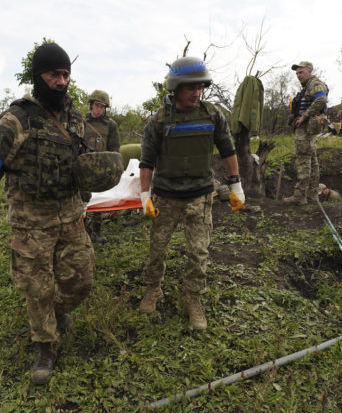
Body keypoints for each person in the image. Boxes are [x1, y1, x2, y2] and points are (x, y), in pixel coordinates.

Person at [0, 42, 95, 386]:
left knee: (82, 281)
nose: (61, 81)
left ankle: (56, 313)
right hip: (31, 224)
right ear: (38, 77)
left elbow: (81, 163)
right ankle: (45, 345)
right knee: (38, 289)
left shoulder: (75, 118)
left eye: (65, 74)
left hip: (71, 218)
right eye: (53, 74)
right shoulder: (16, 120)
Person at [138, 56, 245, 330]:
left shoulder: (212, 114)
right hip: (165, 195)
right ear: (176, 88)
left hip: (200, 194)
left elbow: (228, 150)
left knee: (198, 252)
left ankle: (193, 299)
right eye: (190, 88)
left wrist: (235, 185)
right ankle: (153, 289)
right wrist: (144, 196)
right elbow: (146, 161)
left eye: (200, 87)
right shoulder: (160, 120)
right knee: (157, 249)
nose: (196, 93)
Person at [284, 61, 329, 205]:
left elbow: (322, 99)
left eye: (301, 72)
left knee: (304, 161)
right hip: (306, 128)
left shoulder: (315, 84)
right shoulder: (307, 87)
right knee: (312, 161)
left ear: (309, 71)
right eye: (296, 73)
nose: (298, 75)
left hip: (307, 128)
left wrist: (304, 116)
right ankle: (311, 194)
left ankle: (300, 196)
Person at [84, 90, 120, 243]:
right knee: (83, 200)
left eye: (102, 106)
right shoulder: (82, 122)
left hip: (102, 167)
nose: (99, 109)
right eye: (96, 105)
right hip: (84, 167)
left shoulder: (110, 124)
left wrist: (112, 168)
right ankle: (84, 231)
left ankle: (97, 231)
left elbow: (115, 148)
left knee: (98, 199)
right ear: (91, 104)